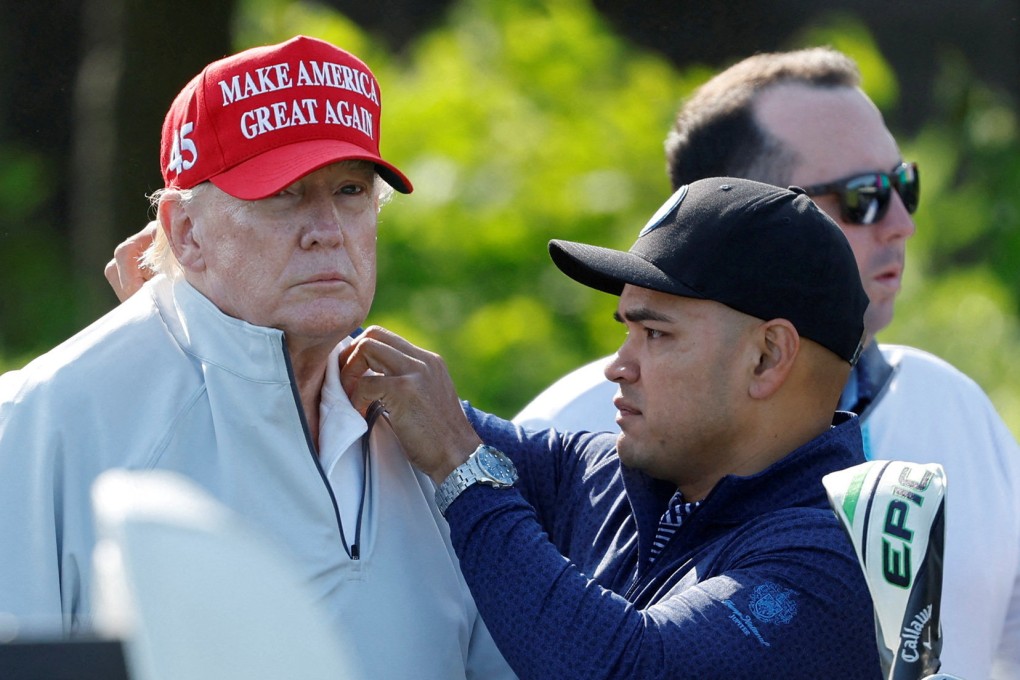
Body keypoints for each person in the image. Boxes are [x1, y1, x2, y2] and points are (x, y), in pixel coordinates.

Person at [0, 35, 514, 679]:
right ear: (186, 233)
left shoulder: (428, 429)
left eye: (352, 191)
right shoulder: (42, 419)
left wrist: (469, 468)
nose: (327, 229)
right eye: (284, 194)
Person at [513, 47, 1020, 680]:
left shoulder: (955, 403)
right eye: (862, 197)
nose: (901, 224)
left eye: (903, 186)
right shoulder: (585, 419)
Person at [339, 177, 883, 678]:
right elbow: (431, 417)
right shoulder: (614, 473)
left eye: (656, 334)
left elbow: (630, 668)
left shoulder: (827, 564)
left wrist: (461, 466)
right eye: (626, 330)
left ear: (766, 357)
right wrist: (315, 313)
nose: (618, 366)